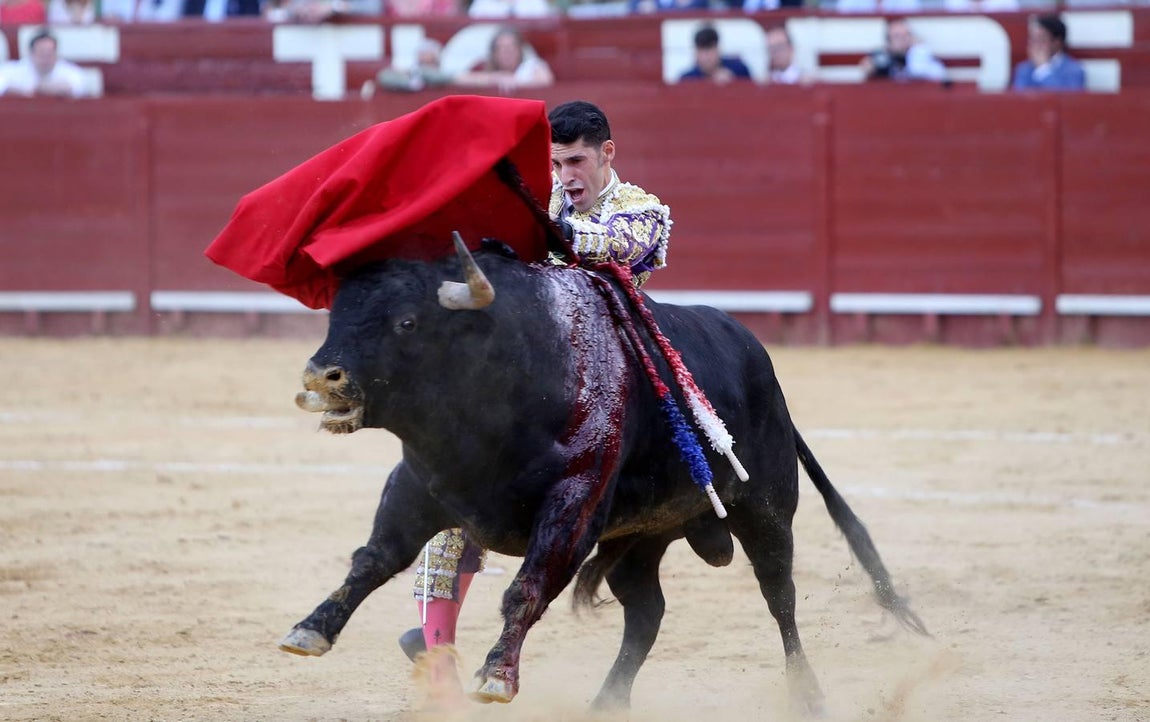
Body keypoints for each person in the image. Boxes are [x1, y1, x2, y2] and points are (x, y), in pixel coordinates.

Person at [399, 99, 672, 696]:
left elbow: (613, 245)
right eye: (555, 163)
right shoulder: (537, 203)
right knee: (448, 496)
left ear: (607, 153)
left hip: (601, 396)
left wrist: (527, 221)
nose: (565, 175)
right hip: (524, 387)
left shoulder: (643, 211)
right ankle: (437, 652)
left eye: (576, 161)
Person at [453, 26, 554, 93]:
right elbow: (459, 79)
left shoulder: (531, 66)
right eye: (501, 48)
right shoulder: (484, 66)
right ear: (494, 53)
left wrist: (516, 82)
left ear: (519, 50)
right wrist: (496, 78)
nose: (506, 53)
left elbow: (546, 81)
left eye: (511, 48)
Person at [0, 30, 90, 99]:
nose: (46, 58)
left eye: (50, 54)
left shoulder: (68, 70)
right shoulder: (16, 69)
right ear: (31, 54)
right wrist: (22, 91)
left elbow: (80, 85)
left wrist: (49, 89)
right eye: (41, 53)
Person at [1012, 14, 1086, 92]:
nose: (1035, 44)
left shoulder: (1074, 70)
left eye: (1040, 39)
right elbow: (1019, 96)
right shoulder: (1023, 69)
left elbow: (1068, 98)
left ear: (1057, 42)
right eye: (1032, 39)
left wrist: (1043, 69)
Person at [860, 17, 946, 84]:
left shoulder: (919, 55)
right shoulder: (881, 55)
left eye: (906, 35)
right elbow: (867, 70)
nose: (902, 39)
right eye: (897, 36)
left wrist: (919, 50)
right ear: (888, 40)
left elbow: (939, 75)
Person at [678, 25, 752, 85]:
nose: (706, 57)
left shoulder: (739, 70)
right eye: (702, 51)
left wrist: (733, 82)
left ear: (718, 50)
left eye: (709, 51)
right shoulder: (687, 79)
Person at [373, 38, 454, 93]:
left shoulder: (445, 69)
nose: (423, 56)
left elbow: (439, 77)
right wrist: (408, 81)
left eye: (427, 53)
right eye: (422, 53)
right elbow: (384, 77)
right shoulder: (410, 70)